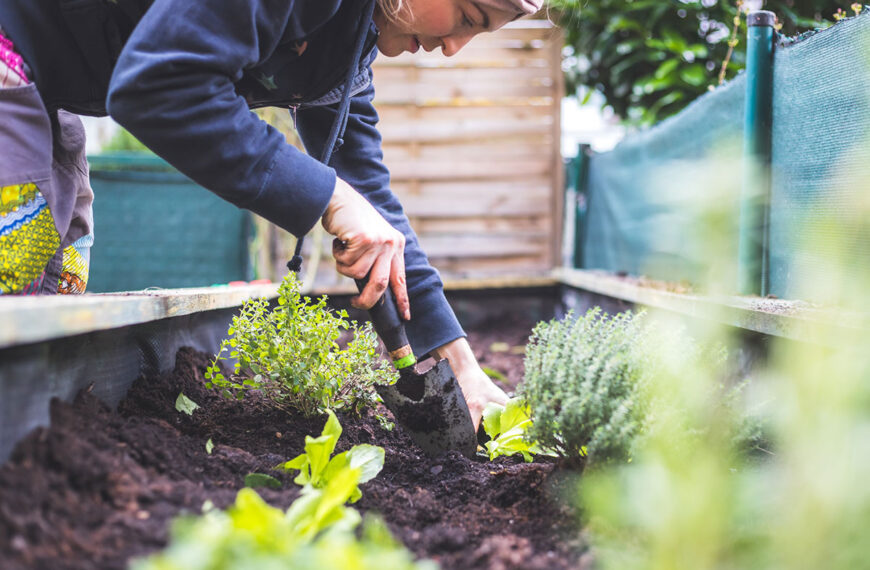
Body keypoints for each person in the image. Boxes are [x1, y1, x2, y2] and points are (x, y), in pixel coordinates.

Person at [0, 0, 543, 429]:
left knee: (52, 299)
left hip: (51, 81)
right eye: (468, 16)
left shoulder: (346, 41)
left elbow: (373, 203)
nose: (454, 48)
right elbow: (160, 87)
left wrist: (458, 363)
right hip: (13, 44)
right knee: (12, 280)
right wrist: (330, 197)